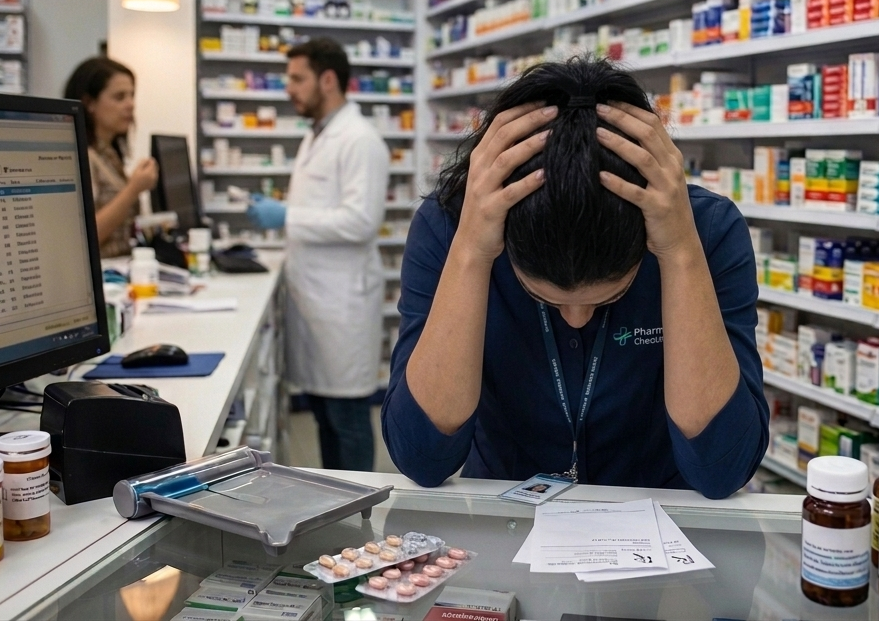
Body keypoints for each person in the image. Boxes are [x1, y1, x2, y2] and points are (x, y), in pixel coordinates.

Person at [382, 57, 768, 499]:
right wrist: (470, 250)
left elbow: (722, 471)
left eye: (610, 295)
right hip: (504, 515)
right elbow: (422, 459)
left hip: (665, 518)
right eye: (541, 295)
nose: (578, 318)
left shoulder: (705, 231)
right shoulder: (452, 228)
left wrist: (680, 252)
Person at [247, 38, 390, 471]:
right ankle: (335, 510)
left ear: (328, 80)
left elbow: (361, 221)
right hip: (317, 299)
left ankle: (359, 517)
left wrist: (286, 215)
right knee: (327, 418)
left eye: (297, 78)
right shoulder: (319, 133)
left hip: (341, 304)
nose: (288, 88)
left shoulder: (360, 140)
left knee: (346, 421)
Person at [64, 56, 157, 258]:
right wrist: (133, 189)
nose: (130, 104)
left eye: (132, 95)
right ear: (90, 103)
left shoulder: (110, 154)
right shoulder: (80, 157)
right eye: (119, 97)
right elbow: (85, 237)